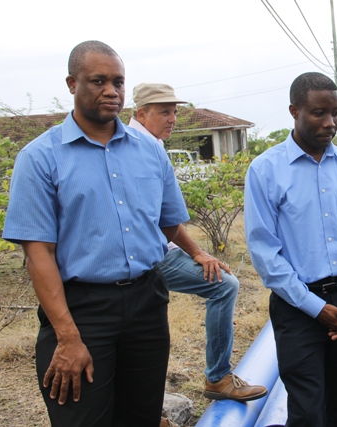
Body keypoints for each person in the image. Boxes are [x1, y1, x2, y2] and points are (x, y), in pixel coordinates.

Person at [3, 41, 191, 426]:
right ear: (72, 84)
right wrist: (68, 338)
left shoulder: (150, 151)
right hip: (82, 311)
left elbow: (168, 221)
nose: (111, 90)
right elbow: (38, 254)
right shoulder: (40, 157)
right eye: (98, 81)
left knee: (140, 414)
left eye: (118, 82)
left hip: (147, 301)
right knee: (83, 417)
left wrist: (200, 254)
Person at [244, 72, 337, 427]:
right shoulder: (265, 171)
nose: (330, 122)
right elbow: (264, 252)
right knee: (306, 412)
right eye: (319, 113)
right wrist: (316, 309)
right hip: (297, 306)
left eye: (335, 113)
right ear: (294, 111)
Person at [128, 82, 267, 402]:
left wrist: (197, 252)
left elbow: (165, 217)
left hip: (159, 249)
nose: (173, 118)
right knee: (223, 285)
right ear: (141, 113)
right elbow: (163, 220)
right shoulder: (138, 146)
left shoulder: (149, 144)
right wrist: (199, 252)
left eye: (174, 111)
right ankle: (217, 378)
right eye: (165, 112)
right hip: (146, 254)